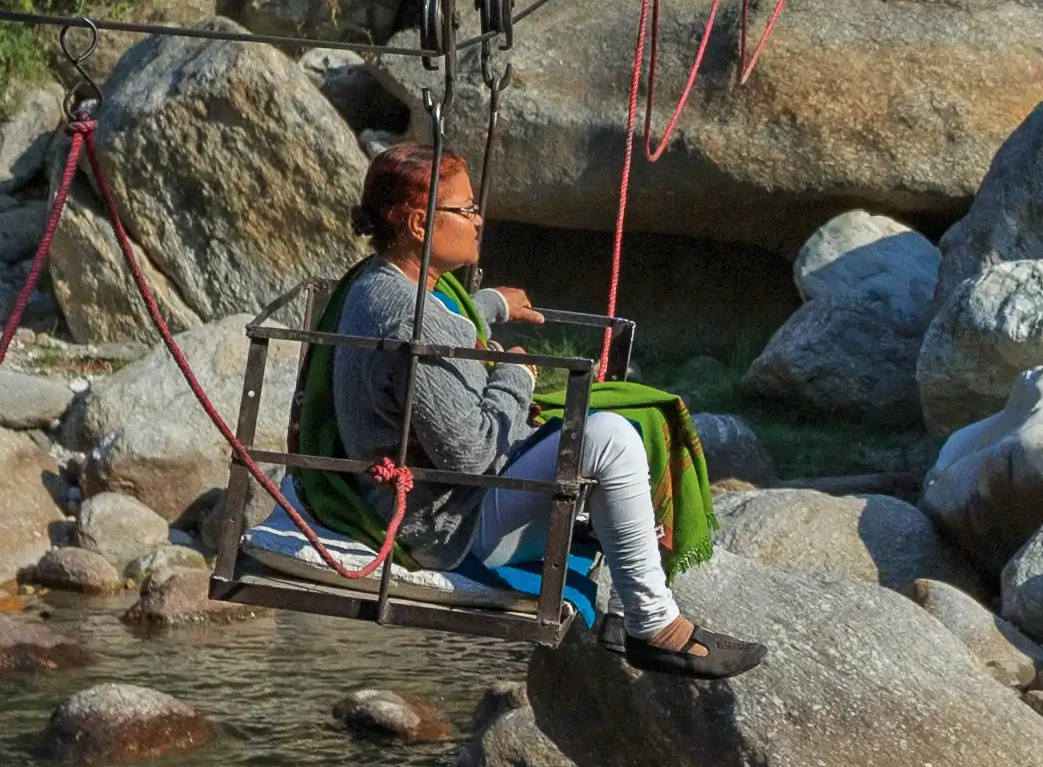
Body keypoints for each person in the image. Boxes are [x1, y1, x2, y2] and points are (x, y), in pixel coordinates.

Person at [313, 145, 758, 674]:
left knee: (602, 436)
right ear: (417, 222)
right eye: (466, 209)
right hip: (445, 523)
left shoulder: (385, 283)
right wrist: (515, 379)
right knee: (612, 436)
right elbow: (470, 455)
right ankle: (653, 623)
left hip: (443, 498)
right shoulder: (406, 315)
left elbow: (441, 330)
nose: (479, 220)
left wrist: (492, 304)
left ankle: (629, 605)